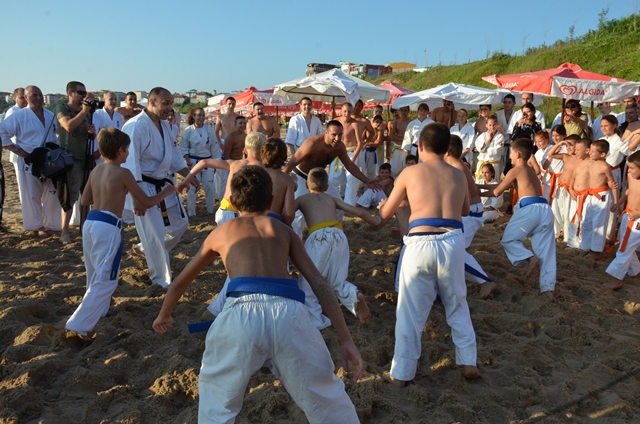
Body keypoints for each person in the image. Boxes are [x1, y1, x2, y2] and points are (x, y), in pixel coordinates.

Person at [152, 166, 363, 423]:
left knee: (216, 400)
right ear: (271, 201)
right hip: (289, 314)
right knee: (326, 398)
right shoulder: (284, 232)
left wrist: (164, 314)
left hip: (240, 314)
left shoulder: (221, 233)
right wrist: (345, 338)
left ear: (232, 202)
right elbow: (319, 284)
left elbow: (180, 283)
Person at [378, 122, 480, 387]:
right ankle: (469, 361)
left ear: (420, 146)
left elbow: (384, 214)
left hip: (419, 241)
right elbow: (465, 210)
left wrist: (383, 206)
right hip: (452, 240)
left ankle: (401, 374)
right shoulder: (458, 173)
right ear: (447, 149)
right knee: (457, 302)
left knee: (410, 310)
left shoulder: (410, 172)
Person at [66, 128, 176, 340]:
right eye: (127, 149)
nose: (128, 153)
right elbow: (146, 201)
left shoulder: (96, 171)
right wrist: (165, 192)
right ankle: (78, 325)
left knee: (93, 272)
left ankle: (99, 311)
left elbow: (85, 200)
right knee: (107, 278)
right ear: (120, 150)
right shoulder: (124, 173)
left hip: (91, 221)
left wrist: (108, 194)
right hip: (108, 225)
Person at [121, 87, 197, 288]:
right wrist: (137, 197)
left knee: (181, 222)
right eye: (165, 103)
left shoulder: (166, 126)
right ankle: (161, 280)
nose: (169, 108)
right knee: (154, 234)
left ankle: (144, 248)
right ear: (152, 102)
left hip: (163, 184)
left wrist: (189, 175)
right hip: (142, 185)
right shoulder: (135, 126)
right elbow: (130, 165)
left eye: (171, 103)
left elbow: (174, 156)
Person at [296, 167, 378, 328]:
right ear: (327, 187)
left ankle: (316, 320)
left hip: (318, 237)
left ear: (306, 185)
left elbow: (287, 213)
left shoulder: (302, 199)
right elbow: (359, 212)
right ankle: (354, 296)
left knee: (309, 280)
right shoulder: (331, 199)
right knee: (337, 280)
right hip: (339, 235)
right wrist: (376, 221)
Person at [479, 138, 556, 301]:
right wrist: (477, 187)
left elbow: (496, 192)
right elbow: (499, 186)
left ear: (518, 154)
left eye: (511, 153)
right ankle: (548, 289)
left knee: (508, 240)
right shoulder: (529, 170)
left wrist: (473, 192)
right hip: (545, 209)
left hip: (530, 208)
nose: (509, 156)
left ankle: (529, 258)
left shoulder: (515, 170)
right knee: (547, 252)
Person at [284, 119, 379, 237]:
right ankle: (296, 241)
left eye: (340, 135)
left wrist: (367, 180)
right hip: (301, 177)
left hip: (321, 179)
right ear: (326, 133)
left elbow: (349, 165)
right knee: (298, 214)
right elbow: (291, 163)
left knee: (338, 207)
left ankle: (335, 234)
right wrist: (283, 180)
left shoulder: (340, 147)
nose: (337, 138)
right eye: (334, 135)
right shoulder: (312, 143)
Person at [0, 85, 62, 235]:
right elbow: (2, 132)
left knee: (51, 192)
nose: (38, 98)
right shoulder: (19, 116)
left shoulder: (50, 115)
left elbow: (58, 135)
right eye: (34, 95)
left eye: (40, 95)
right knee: (32, 194)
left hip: (49, 158)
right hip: (29, 158)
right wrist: (18, 150)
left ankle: (51, 224)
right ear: (26, 98)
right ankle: (37, 226)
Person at [180, 131, 266, 227]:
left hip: (225, 211)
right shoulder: (264, 169)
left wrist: (185, 181)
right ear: (264, 151)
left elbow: (204, 162)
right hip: (246, 213)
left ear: (245, 150)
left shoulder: (235, 164)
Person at [446, 135, 496, 298]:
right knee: (453, 248)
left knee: (454, 249)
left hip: (469, 213)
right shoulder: (457, 165)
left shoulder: (457, 168)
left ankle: (485, 281)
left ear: (447, 150)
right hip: (471, 211)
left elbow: (465, 197)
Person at [56, 81, 96, 243]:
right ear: (70, 93)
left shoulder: (84, 111)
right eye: (81, 93)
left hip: (85, 157)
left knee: (87, 197)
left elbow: (86, 133)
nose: (84, 96)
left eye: (85, 93)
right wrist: (85, 111)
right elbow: (68, 126)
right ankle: (64, 232)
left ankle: (84, 228)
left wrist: (92, 133)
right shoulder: (63, 108)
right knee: (70, 198)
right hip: (71, 159)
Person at [568, 139, 617, 259]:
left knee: (598, 222)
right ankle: (585, 246)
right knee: (586, 221)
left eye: (593, 151)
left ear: (603, 154)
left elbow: (613, 184)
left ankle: (596, 250)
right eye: (590, 150)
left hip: (601, 196)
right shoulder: (591, 164)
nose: (590, 152)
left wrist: (616, 202)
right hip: (590, 195)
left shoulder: (605, 167)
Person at [605, 151, 640, 289]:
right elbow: (629, 191)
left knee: (625, 247)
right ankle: (635, 271)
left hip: (637, 220)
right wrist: (619, 203)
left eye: (632, 168)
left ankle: (617, 279)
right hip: (628, 214)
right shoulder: (631, 176)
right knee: (626, 245)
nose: (629, 171)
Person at [180, 107, 223, 216]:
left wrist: (215, 164)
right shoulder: (188, 131)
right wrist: (187, 159)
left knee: (210, 186)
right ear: (193, 116)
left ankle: (210, 210)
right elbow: (184, 147)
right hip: (193, 161)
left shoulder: (209, 130)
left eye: (203, 115)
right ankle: (191, 213)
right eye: (199, 115)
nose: (201, 117)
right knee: (192, 187)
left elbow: (214, 147)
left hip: (208, 161)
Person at [0, 87, 28, 232]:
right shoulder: (12, 112)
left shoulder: (29, 111)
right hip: (18, 151)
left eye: (25, 97)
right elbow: (7, 135)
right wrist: (17, 149)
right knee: (22, 184)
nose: (24, 100)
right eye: (21, 97)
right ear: (15, 98)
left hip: (28, 152)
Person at [544, 135, 579, 241]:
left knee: (567, 213)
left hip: (570, 189)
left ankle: (567, 237)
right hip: (560, 187)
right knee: (556, 210)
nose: (568, 148)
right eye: (566, 145)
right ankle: (555, 232)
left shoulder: (580, 159)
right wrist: (560, 144)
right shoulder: (565, 156)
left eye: (571, 145)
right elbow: (550, 154)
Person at [328, 103, 364, 203]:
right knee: (333, 178)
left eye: (349, 111)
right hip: (337, 151)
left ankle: (350, 204)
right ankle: (331, 201)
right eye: (345, 111)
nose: (347, 114)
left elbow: (360, 143)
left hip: (350, 152)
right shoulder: (336, 121)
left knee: (351, 179)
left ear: (352, 112)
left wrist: (353, 158)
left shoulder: (355, 124)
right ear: (341, 111)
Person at [261, 137, 296, 225]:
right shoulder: (287, 180)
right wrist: (285, 226)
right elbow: (289, 214)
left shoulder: (256, 174)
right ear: (284, 156)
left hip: (255, 220)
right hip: (274, 221)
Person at [92, 91, 124, 163]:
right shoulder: (97, 114)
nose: (114, 101)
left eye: (115, 99)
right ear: (104, 100)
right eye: (111, 99)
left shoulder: (120, 117)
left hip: (115, 152)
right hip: (99, 152)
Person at [475, 114, 505, 180]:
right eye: (490, 125)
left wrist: (484, 150)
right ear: (486, 125)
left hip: (493, 165)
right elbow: (479, 148)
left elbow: (496, 151)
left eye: (494, 125)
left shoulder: (500, 137)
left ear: (497, 125)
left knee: (493, 183)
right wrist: (488, 139)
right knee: (480, 183)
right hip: (482, 164)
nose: (492, 127)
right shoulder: (482, 136)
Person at [387, 106, 411, 176]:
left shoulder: (411, 122)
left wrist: (399, 137)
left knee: (406, 170)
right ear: (399, 111)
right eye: (402, 110)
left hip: (406, 149)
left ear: (408, 111)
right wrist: (404, 138)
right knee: (393, 170)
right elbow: (392, 136)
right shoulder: (396, 122)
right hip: (397, 148)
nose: (403, 112)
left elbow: (412, 137)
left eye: (405, 110)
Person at [363, 115, 387, 179]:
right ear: (373, 121)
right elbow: (361, 139)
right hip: (364, 151)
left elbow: (377, 144)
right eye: (377, 122)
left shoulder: (379, 132)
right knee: (362, 169)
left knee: (371, 171)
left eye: (380, 122)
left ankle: (370, 183)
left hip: (372, 151)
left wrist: (367, 142)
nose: (378, 124)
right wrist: (369, 143)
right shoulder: (366, 129)